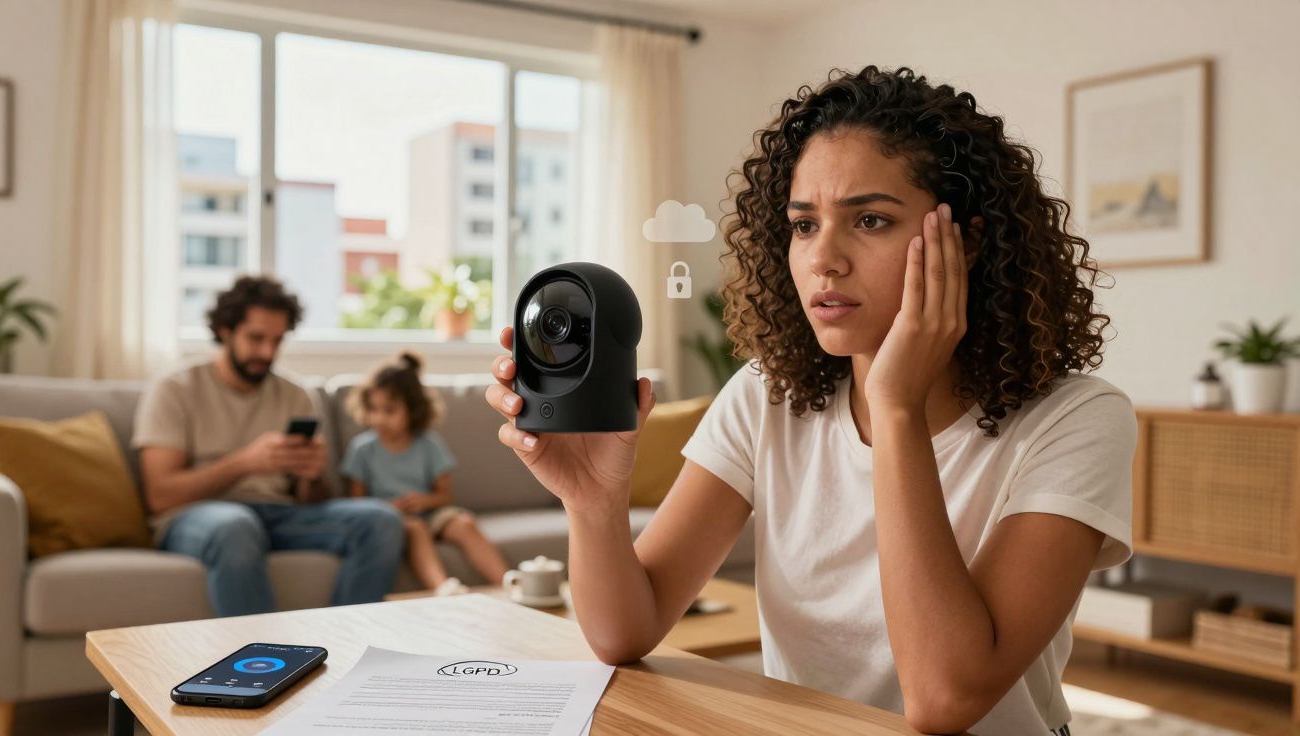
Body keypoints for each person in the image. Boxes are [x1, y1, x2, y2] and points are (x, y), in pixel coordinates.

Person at [484, 66, 1135, 735]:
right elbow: (625, 632)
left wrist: (896, 407)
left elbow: (945, 701)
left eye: (870, 220)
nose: (824, 258)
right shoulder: (768, 395)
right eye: (803, 224)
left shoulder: (1076, 419)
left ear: (964, 244)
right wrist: (594, 505)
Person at [133, 276, 404, 617]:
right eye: (256, 338)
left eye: (277, 340)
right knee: (235, 526)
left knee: (381, 520)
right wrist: (244, 463)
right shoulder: (175, 389)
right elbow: (160, 496)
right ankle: (263, 653)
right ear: (226, 330)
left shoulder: (295, 395)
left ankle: (345, 641)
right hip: (200, 518)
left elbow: (311, 501)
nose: (267, 352)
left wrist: (311, 476)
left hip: (277, 514)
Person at [341, 351, 508, 594]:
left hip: (431, 514)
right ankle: (443, 588)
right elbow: (356, 503)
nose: (379, 418)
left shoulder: (429, 444)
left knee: (463, 523)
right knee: (416, 529)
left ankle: (509, 582)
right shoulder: (362, 449)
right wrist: (389, 508)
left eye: (389, 410)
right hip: (392, 519)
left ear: (413, 410)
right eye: (373, 409)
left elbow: (445, 496)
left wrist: (423, 501)